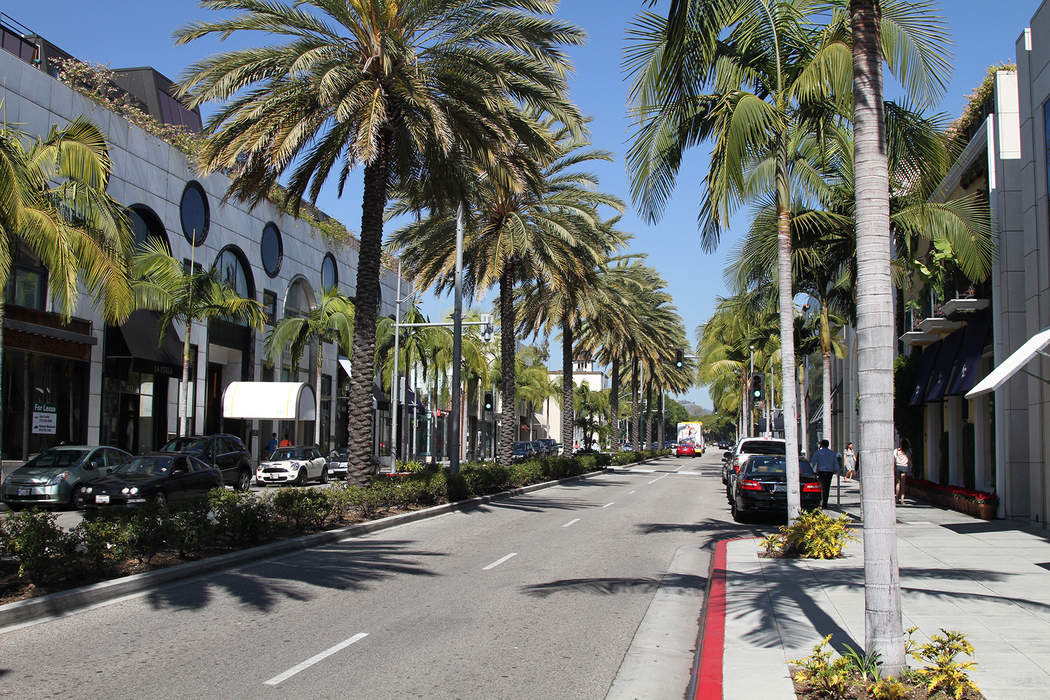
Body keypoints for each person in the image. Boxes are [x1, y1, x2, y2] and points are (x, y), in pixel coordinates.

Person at [811, 439, 838, 508]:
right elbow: (835, 462)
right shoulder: (832, 453)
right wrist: (837, 470)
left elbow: (813, 461)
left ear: (822, 445)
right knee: (827, 487)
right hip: (829, 472)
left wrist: (811, 470)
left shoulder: (818, 452)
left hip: (821, 471)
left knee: (821, 487)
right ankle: (825, 503)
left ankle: (820, 501)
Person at [894, 438, 912, 504]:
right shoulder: (908, 451)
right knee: (903, 485)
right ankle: (902, 500)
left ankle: (896, 499)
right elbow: (909, 461)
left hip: (898, 468)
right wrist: (909, 468)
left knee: (898, 484)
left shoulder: (896, 451)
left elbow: (895, 460)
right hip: (904, 468)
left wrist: (894, 468)